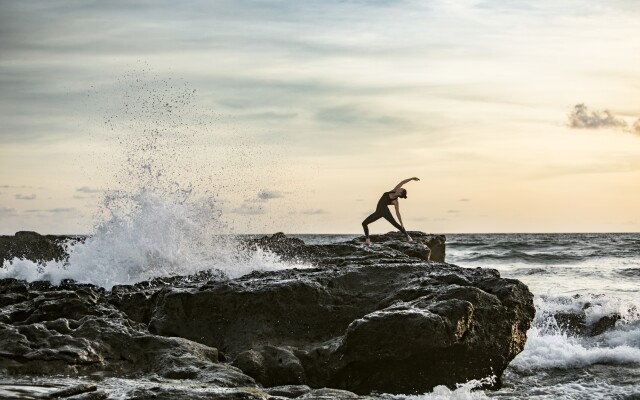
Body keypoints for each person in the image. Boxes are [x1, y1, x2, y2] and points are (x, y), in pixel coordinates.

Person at [362, 177, 420, 245]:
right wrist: (412, 178)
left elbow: (398, 213)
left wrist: (401, 223)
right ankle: (367, 240)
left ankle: (408, 236)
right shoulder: (394, 190)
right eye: (401, 188)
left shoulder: (395, 202)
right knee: (364, 223)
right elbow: (402, 182)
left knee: (396, 224)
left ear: (400, 194)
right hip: (378, 212)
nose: (400, 188)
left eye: (401, 189)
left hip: (385, 212)